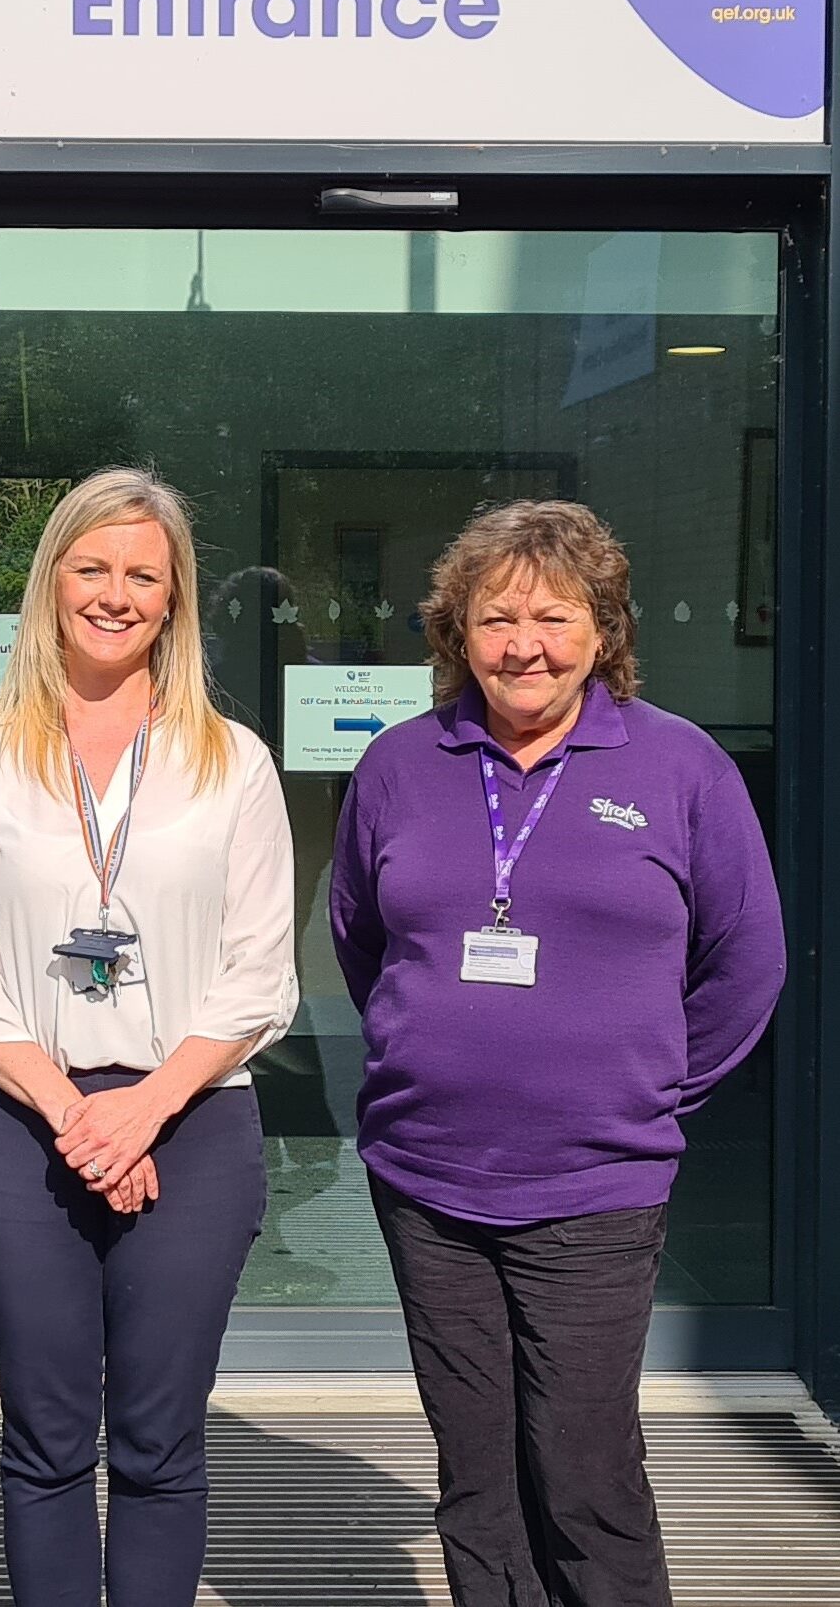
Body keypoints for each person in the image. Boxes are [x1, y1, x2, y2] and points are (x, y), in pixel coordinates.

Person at [329, 499, 785, 1607]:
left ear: (603, 631)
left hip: (594, 1185)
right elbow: (359, 936)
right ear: (455, 633)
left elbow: (748, 964)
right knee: (475, 1477)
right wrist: (425, 1052)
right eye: (495, 619)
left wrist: (652, 1094)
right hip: (428, 1180)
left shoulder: (681, 768)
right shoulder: (400, 763)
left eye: (554, 617)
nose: (523, 645)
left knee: (585, 1474)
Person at [0, 466, 299, 1607]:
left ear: (175, 600)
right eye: (93, 568)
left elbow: (260, 977)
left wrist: (141, 1113)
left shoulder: (233, 762)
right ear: (51, 585)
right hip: (25, 1127)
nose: (116, 594)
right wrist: (82, 1117)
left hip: (192, 1124)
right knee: (44, 1439)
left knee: (159, 1445)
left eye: (144, 574)